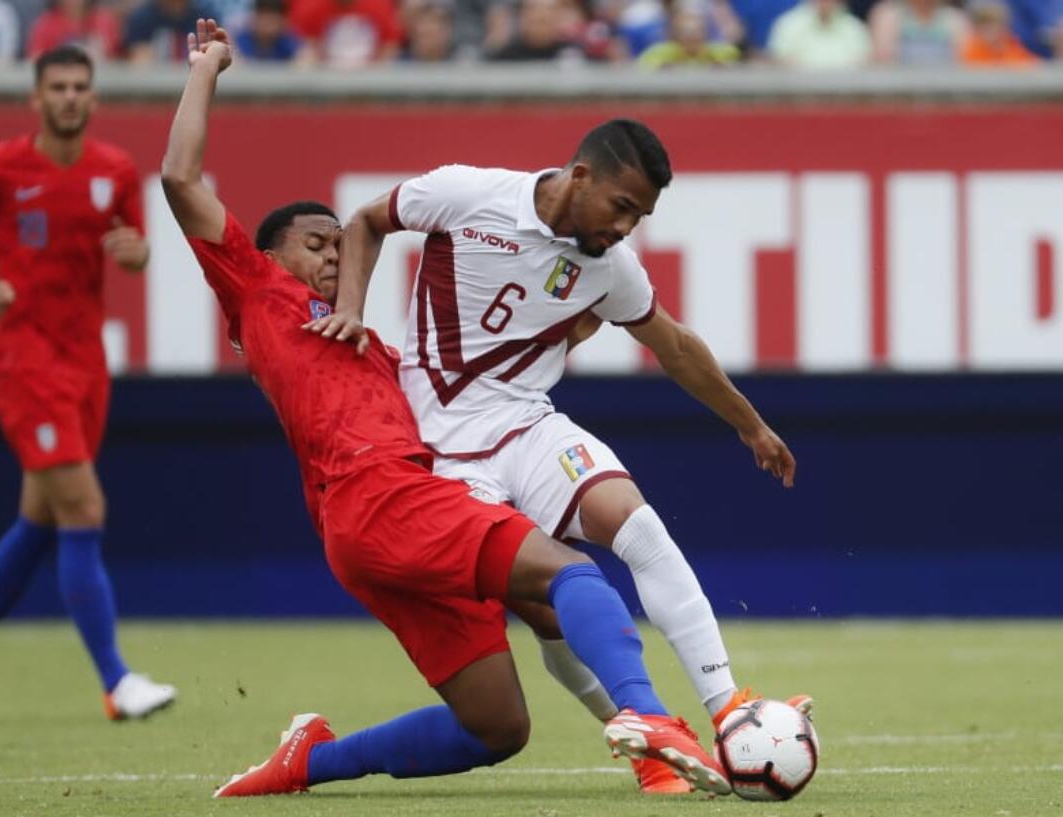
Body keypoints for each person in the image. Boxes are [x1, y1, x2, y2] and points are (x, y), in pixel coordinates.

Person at [162, 20, 733, 798]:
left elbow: (478, 382)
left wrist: (567, 319)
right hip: (380, 496)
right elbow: (179, 180)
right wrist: (207, 70)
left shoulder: (376, 350)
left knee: (498, 725)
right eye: (313, 245)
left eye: (339, 245)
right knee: (573, 570)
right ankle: (648, 722)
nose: (332, 257)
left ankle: (309, 759)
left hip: (388, 515)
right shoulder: (261, 294)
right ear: (266, 260)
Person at [309, 119, 812, 794]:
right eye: (622, 206)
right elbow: (367, 220)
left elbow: (675, 346)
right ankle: (646, 747)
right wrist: (351, 310)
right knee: (550, 609)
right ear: (580, 176)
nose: (626, 227)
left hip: (526, 426)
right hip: (442, 453)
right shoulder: (469, 194)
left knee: (640, 529)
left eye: (640, 216)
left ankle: (728, 711)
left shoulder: (610, 268)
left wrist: (751, 425)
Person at [0, 45, 176, 731]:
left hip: (85, 363)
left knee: (43, 520)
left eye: (80, 87)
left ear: (94, 99)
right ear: (35, 98)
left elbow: (138, 243)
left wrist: (140, 252)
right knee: (84, 506)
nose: (69, 96)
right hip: (25, 359)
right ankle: (115, 681)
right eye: (57, 87)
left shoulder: (116, 169)